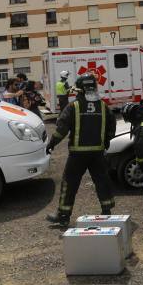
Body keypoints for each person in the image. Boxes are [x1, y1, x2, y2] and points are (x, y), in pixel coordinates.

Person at [45, 74, 116, 227]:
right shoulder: (103, 107)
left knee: (69, 184)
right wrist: (107, 140)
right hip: (97, 153)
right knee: (102, 181)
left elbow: (61, 129)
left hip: (78, 154)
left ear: (80, 90)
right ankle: (107, 211)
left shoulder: (73, 107)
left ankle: (63, 216)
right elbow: (112, 125)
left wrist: (52, 143)